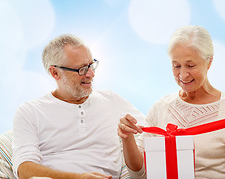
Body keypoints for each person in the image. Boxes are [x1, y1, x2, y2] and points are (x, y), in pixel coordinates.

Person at [118, 25, 225, 178]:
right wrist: (127, 139)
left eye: (190, 65)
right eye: (176, 66)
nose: (183, 75)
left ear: (209, 61)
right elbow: (139, 174)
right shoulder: (160, 108)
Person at [12, 34, 144, 179]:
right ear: (55, 72)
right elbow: (24, 169)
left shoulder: (111, 100)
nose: (91, 74)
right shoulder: (30, 111)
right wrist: (78, 178)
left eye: (91, 65)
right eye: (82, 69)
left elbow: (154, 132)